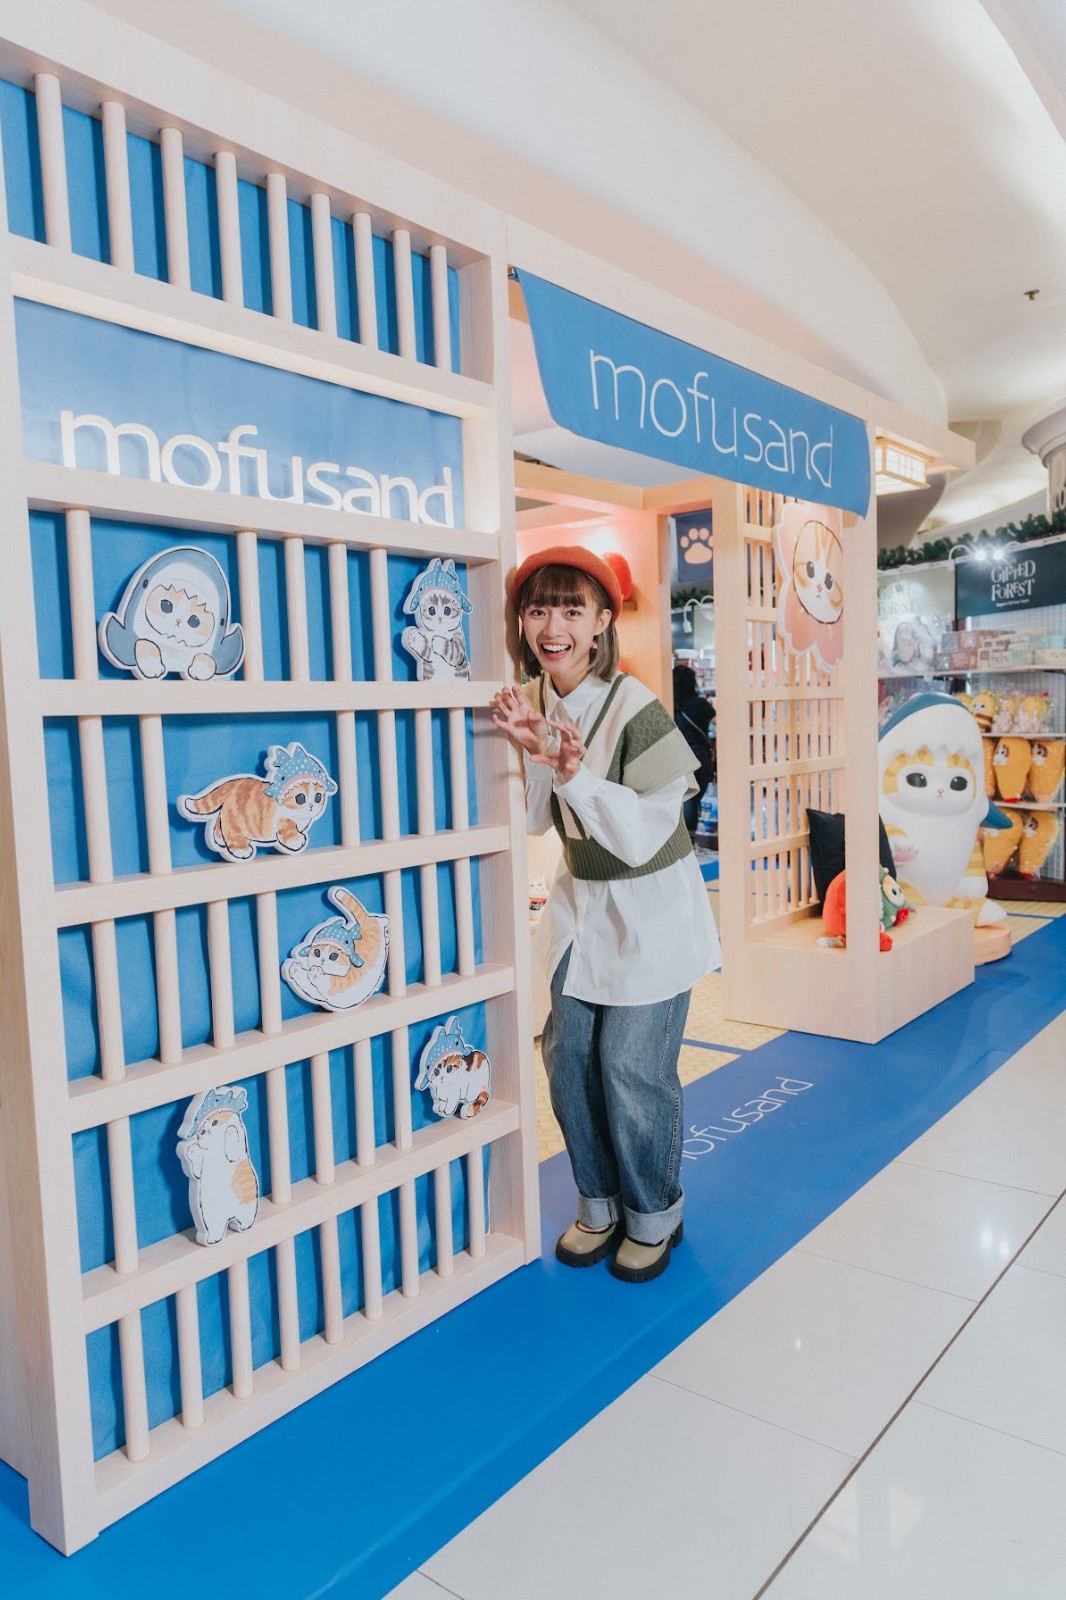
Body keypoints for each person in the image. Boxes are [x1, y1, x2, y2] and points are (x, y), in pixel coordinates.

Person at [492, 546, 721, 1283]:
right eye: (537, 609)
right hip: (580, 905)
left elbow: (649, 833)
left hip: (652, 909)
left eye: (571, 609)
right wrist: (537, 756)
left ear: (600, 622)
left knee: (630, 1067)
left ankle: (654, 1213)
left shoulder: (635, 706)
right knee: (566, 1061)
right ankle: (599, 1205)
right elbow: (537, 820)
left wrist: (573, 773)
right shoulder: (532, 697)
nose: (552, 627)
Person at [672, 662, 716, 837]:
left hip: (677, 756)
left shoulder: (669, 704)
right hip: (700, 756)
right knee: (693, 799)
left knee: (684, 799)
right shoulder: (700, 704)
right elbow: (719, 722)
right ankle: (689, 839)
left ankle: (683, 840)